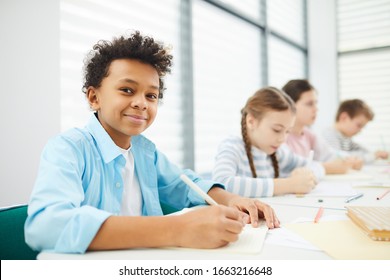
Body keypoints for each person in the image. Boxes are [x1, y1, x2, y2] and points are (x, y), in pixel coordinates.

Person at [24, 31, 279, 254]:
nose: (141, 103)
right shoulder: (68, 148)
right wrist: (176, 229)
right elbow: (46, 226)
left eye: (151, 95)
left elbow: (187, 185)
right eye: (127, 90)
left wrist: (230, 199)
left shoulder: (145, 152)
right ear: (94, 97)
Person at [212, 87, 325, 197]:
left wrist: (307, 175)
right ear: (251, 121)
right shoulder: (232, 147)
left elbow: (317, 166)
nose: (282, 139)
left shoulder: (279, 152)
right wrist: (290, 184)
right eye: (277, 130)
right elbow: (221, 184)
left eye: (287, 131)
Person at [282, 79, 360, 173]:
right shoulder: (280, 136)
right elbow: (289, 167)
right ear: (290, 105)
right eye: (310, 104)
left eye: (316, 103)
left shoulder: (309, 135)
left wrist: (350, 159)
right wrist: (327, 167)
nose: (316, 109)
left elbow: (329, 154)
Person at [322, 98, 388, 163]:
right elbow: (339, 158)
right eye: (359, 125)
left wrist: (376, 154)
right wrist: (372, 156)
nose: (360, 130)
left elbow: (365, 152)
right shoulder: (329, 135)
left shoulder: (346, 139)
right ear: (344, 118)